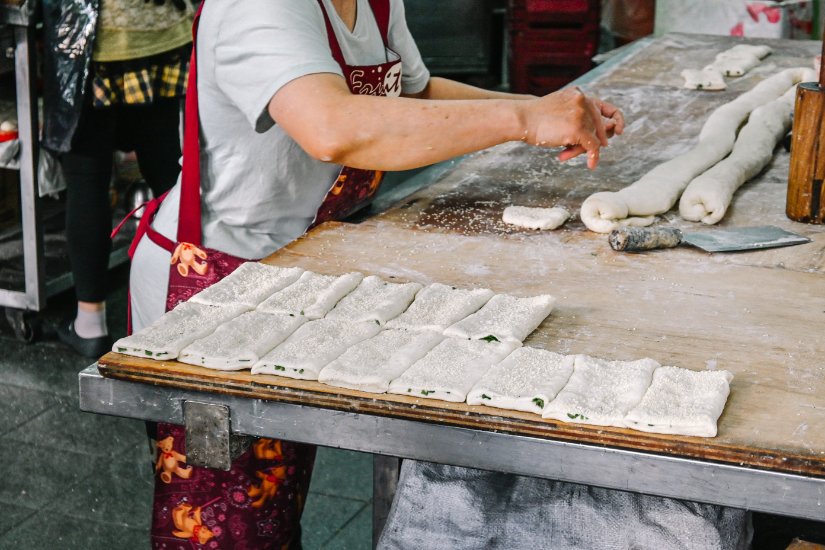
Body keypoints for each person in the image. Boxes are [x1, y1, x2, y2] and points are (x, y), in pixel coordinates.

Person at [125, 0, 631, 547]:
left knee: (274, 505)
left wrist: (544, 111)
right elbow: (331, 127)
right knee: (229, 524)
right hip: (214, 285)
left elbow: (415, 97)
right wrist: (525, 120)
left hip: (293, 274)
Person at [42, 0, 193, 357]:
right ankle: (189, 300)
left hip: (95, 40)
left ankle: (90, 324)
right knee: (167, 175)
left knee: (87, 180)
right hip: (164, 33)